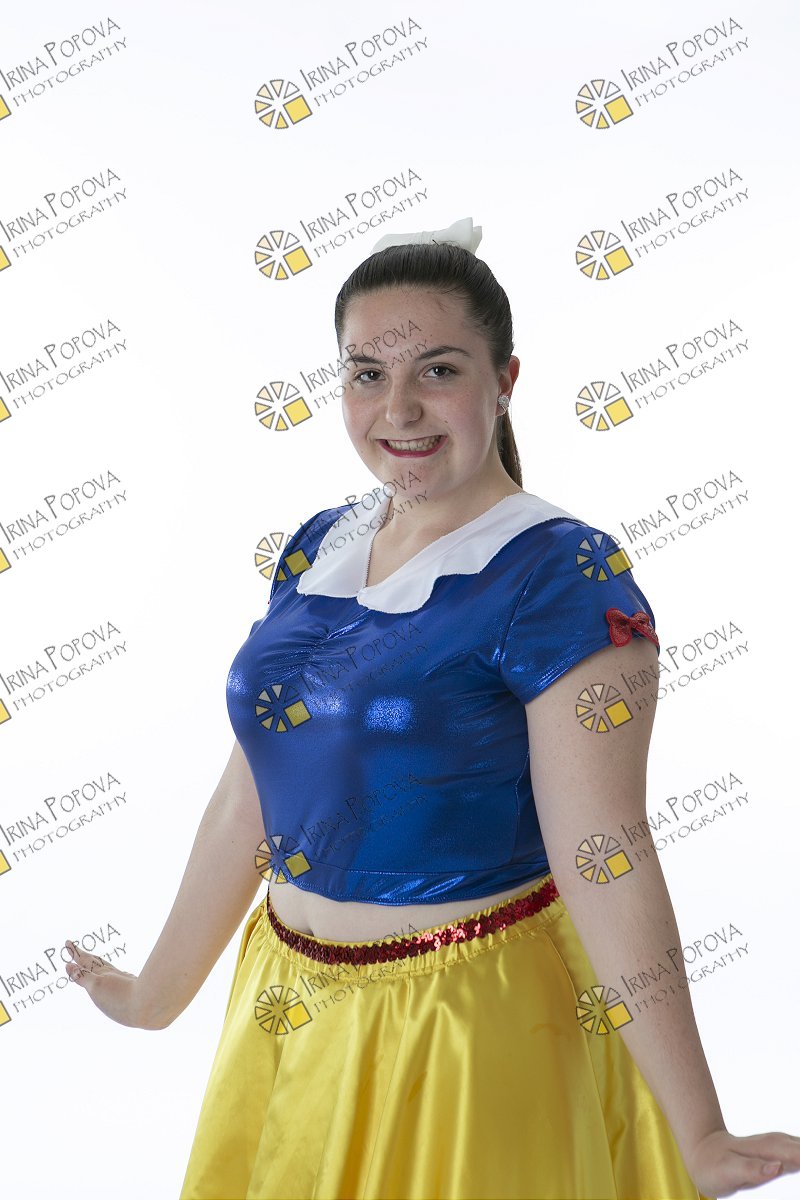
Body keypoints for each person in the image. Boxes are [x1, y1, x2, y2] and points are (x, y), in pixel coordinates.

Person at [64, 219, 800, 1200]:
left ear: (504, 380)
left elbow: (604, 851)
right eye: (366, 374)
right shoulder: (320, 546)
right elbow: (253, 796)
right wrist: (156, 995)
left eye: (438, 370)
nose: (398, 408)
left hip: (469, 1019)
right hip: (286, 1004)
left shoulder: (562, 576)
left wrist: (698, 1129)